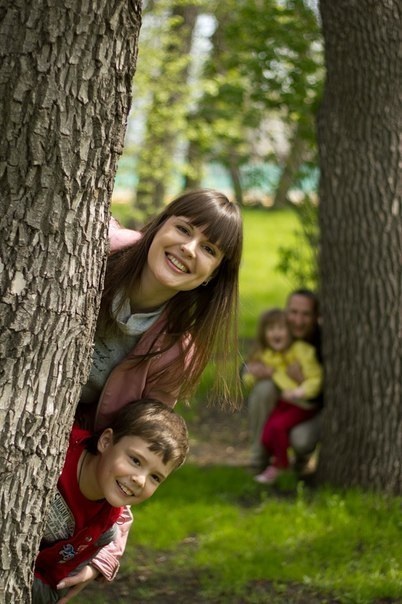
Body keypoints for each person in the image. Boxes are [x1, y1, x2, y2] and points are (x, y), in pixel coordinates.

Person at [64, 189, 243, 601]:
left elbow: (139, 450)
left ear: (213, 273)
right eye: (183, 228)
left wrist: (104, 556)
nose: (188, 249)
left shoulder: (178, 353)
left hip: (59, 460)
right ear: (160, 224)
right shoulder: (92, 248)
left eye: (209, 249)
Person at [33, 399, 189, 604]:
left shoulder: (104, 525)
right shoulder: (58, 449)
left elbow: (54, 585)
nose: (140, 480)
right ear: (106, 441)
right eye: (135, 460)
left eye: (155, 477)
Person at [242, 308, 322, 484]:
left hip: (303, 404)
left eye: (281, 329)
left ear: (290, 331)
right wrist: (255, 374)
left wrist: (300, 391)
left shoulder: (301, 350)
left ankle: (280, 466)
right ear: (264, 334)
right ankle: (275, 461)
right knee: (268, 433)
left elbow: (316, 378)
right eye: (270, 329)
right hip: (286, 405)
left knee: (277, 428)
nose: (276, 333)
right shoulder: (266, 354)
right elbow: (247, 376)